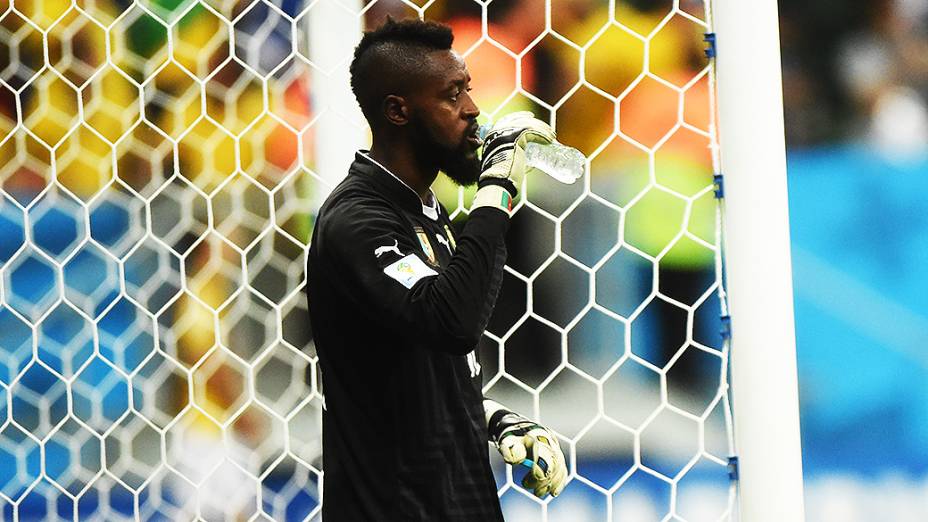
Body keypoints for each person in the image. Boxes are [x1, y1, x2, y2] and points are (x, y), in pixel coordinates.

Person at [305, 17, 567, 521]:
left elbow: (416, 366)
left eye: (468, 90)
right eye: (452, 96)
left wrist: (495, 420)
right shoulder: (357, 220)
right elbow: (450, 321)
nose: (473, 110)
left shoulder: (424, 210)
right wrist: (495, 193)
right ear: (398, 111)